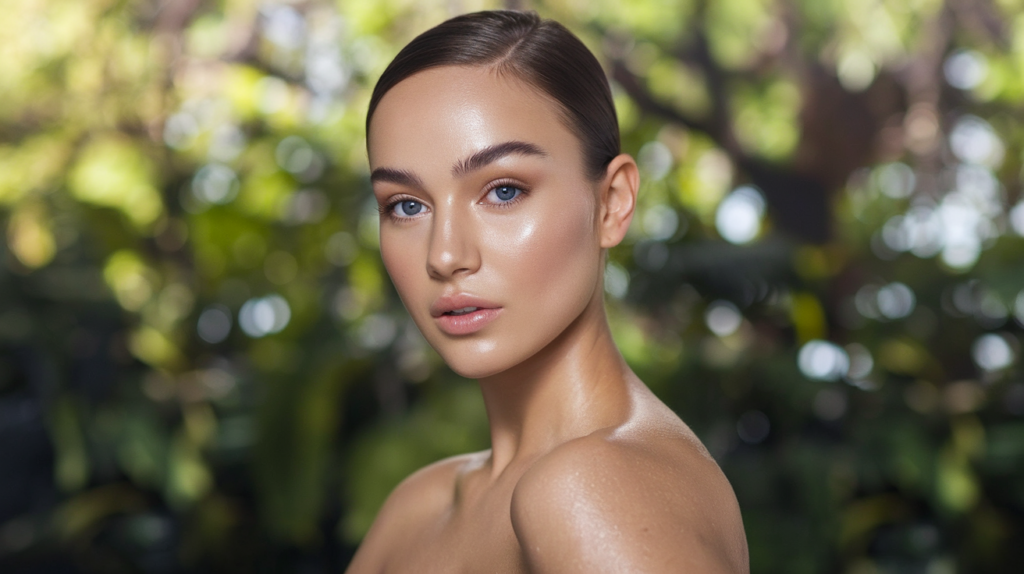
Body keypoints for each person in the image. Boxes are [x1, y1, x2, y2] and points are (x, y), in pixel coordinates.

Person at [346, 10, 748, 573]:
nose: (445, 255)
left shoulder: (595, 487)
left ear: (612, 203)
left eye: (503, 191)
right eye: (406, 205)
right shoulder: (420, 505)